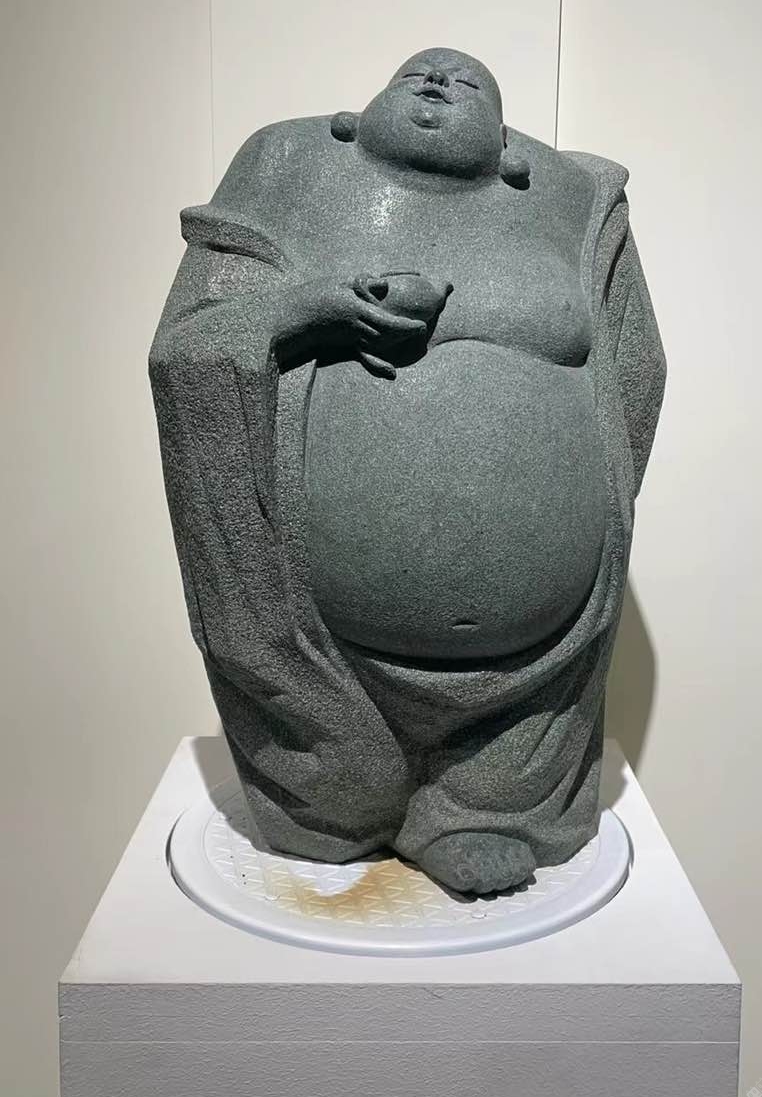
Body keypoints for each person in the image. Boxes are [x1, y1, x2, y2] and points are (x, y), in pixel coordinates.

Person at [150, 48, 665, 894]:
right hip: (314, 637)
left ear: (511, 148)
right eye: (414, 74)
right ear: (353, 121)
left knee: (505, 785)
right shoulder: (287, 166)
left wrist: (570, 508)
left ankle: (477, 803)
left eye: (468, 83)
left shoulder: (576, 205)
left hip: (541, 660)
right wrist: (304, 308)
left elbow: (636, 374)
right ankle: (341, 797)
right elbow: (190, 343)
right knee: (329, 804)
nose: (436, 81)